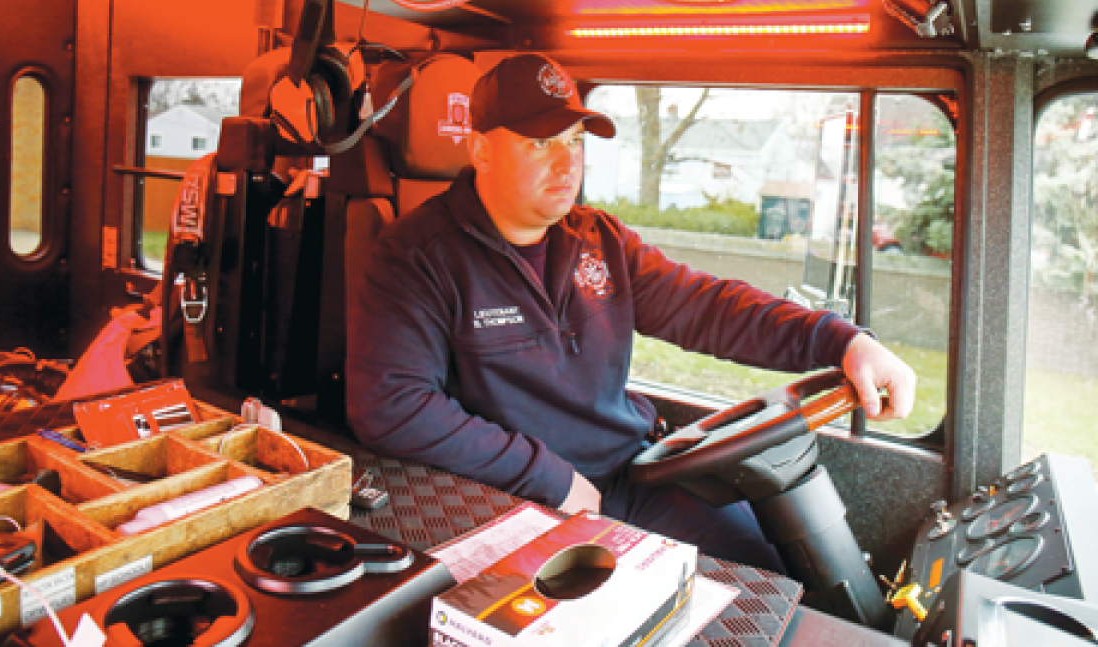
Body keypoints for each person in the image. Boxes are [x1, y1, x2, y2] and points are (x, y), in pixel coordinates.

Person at [345, 53, 917, 570]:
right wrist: (549, 477)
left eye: (574, 140)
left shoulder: (599, 239)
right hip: (517, 496)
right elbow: (392, 406)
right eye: (539, 144)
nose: (566, 164)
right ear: (481, 150)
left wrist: (843, 342)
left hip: (636, 473)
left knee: (763, 575)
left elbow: (709, 307)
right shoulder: (416, 255)